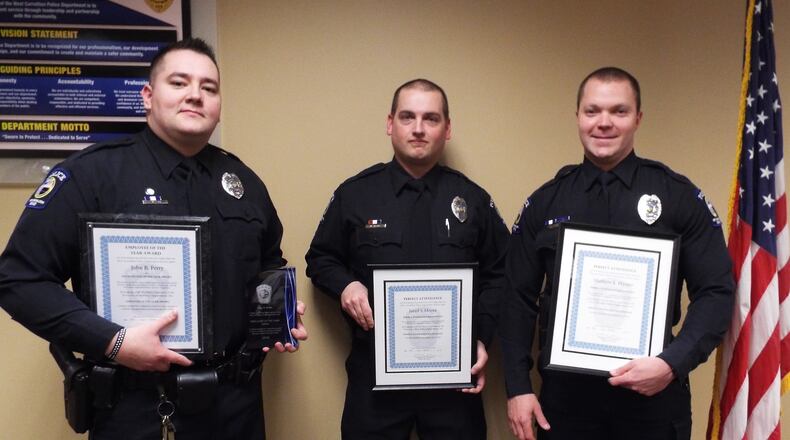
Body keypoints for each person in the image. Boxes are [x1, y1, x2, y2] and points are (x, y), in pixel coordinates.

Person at [0, 38, 307, 439]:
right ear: (148, 96)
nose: (195, 95)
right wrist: (113, 342)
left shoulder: (245, 184)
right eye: (179, 83)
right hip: (138, 406)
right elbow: (19, 279)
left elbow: (268, 264)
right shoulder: (92, 176)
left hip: (236, 406)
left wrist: (279, 315)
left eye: (209, 88)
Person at [501, 66, 734, 440]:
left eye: (619, 111)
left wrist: (672, 365)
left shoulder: (676, 196)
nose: (604, 122)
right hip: (566, 403)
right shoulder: (546, 202)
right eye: (592, 111)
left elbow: (716, 291)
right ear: (577, 116)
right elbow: (516, 298)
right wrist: (517, 386)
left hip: (653, 399)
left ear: (638, 118)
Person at [305, 78, 509, 439]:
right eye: (407, 117)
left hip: (453, 380)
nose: (418, 129)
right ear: (389, 124)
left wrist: (482, 336)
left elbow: (501, 272)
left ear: (447, 129)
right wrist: (347, 285)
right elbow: (321, 258)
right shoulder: (355, 194)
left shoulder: (472, 199)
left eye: (431, 118)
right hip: (375, 375)